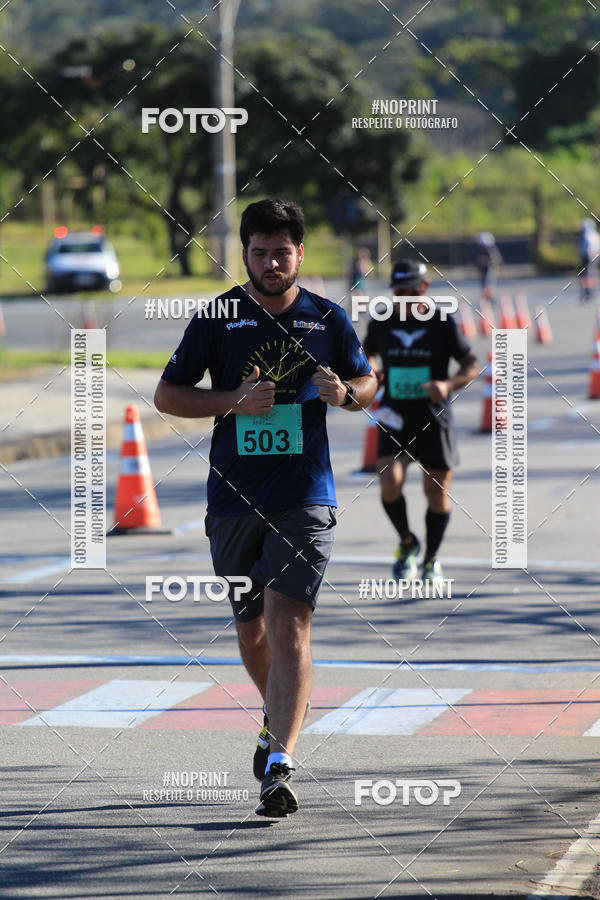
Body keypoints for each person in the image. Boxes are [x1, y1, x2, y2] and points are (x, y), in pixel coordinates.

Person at [154, 198, 377, 818]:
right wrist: (232, 401)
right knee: (251, 629)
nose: (271, 262)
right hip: (232, 499)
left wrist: (347, 395)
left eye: (282, 252)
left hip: (304, 495)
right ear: (244, 253)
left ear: (300, 253)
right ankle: (272, 715)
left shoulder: (327, 319)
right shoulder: (217, 317)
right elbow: (168, 395)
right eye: (259, 252)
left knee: (288, 623)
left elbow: (367, 383)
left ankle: (279, 762)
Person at [362, 260, 479, 587]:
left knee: (436, 494)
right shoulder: (382, 321)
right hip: (395, 415)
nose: (403, 298)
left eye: (410, 291)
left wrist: (448, 385)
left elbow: (471, 364)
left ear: (424, 289)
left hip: (433, 417)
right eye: (398, 291)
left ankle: (431, 559)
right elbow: (367, 353)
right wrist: (373, 369)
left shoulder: (442, 323)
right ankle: (407, 542)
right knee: (389, 479)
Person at [474, 232, 502, 300]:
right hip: (484, 270)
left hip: (490, 270)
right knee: (485, 286)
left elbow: (496, 260)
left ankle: (490, 299)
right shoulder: (482, 250)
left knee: (489, 286)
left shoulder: (491, 250)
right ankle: (487, 300)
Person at [578, 218, 600, 303]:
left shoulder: (590, 234)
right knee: (589, 274)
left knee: (588, 274)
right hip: (588, 257)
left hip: (590, 257)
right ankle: (589, 292)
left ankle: (589, 292)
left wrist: (590, 256)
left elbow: (591, 247)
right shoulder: (592, 234)